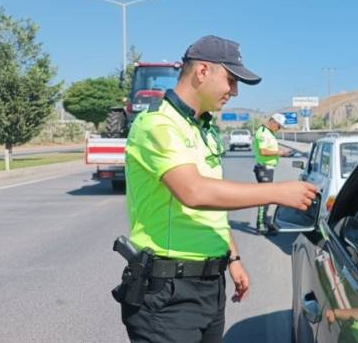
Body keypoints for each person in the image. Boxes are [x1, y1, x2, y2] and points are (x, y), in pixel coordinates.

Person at [116, 35, 317, 343]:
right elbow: (194, 193)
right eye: (231, 80)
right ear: (202, 72)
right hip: (168, 294)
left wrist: (233, 258)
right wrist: (277, 192)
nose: (234, 92)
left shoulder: (204, 130)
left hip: (210, 286)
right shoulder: (158, 125)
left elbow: (214, 206)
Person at [252, 113, 293, 234]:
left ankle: (264, 222)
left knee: (267, 197)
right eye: (279, 126)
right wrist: (280, 153)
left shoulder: (269, 133)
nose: (279, 129)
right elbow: (263, 151)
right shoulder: (263, 132)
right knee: (264, 197)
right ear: (273, 122)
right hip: (264, 168)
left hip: (268, 168)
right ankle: (260, 225)